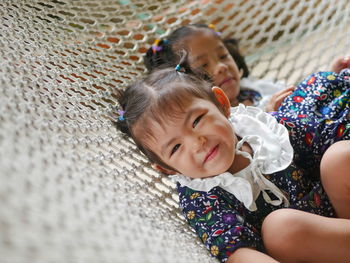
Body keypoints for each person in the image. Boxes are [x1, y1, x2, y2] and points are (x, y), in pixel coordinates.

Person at [115, 60, 350, 262]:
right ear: (166, 168)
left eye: (196, 121)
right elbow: (237, 253)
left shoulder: (265, 134)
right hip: (300, 248)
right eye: (176, 147)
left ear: (221, 103)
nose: (197, 143)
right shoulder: (201, 197)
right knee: (281, 227)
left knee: (339, 157)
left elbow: (320, 137)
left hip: (337, 224)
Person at [144, 24, 295, 112]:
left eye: (223, 56)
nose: (221, 66)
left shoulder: (252, 87)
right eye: (203, 65)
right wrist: (270, 114)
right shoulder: (219, 118)